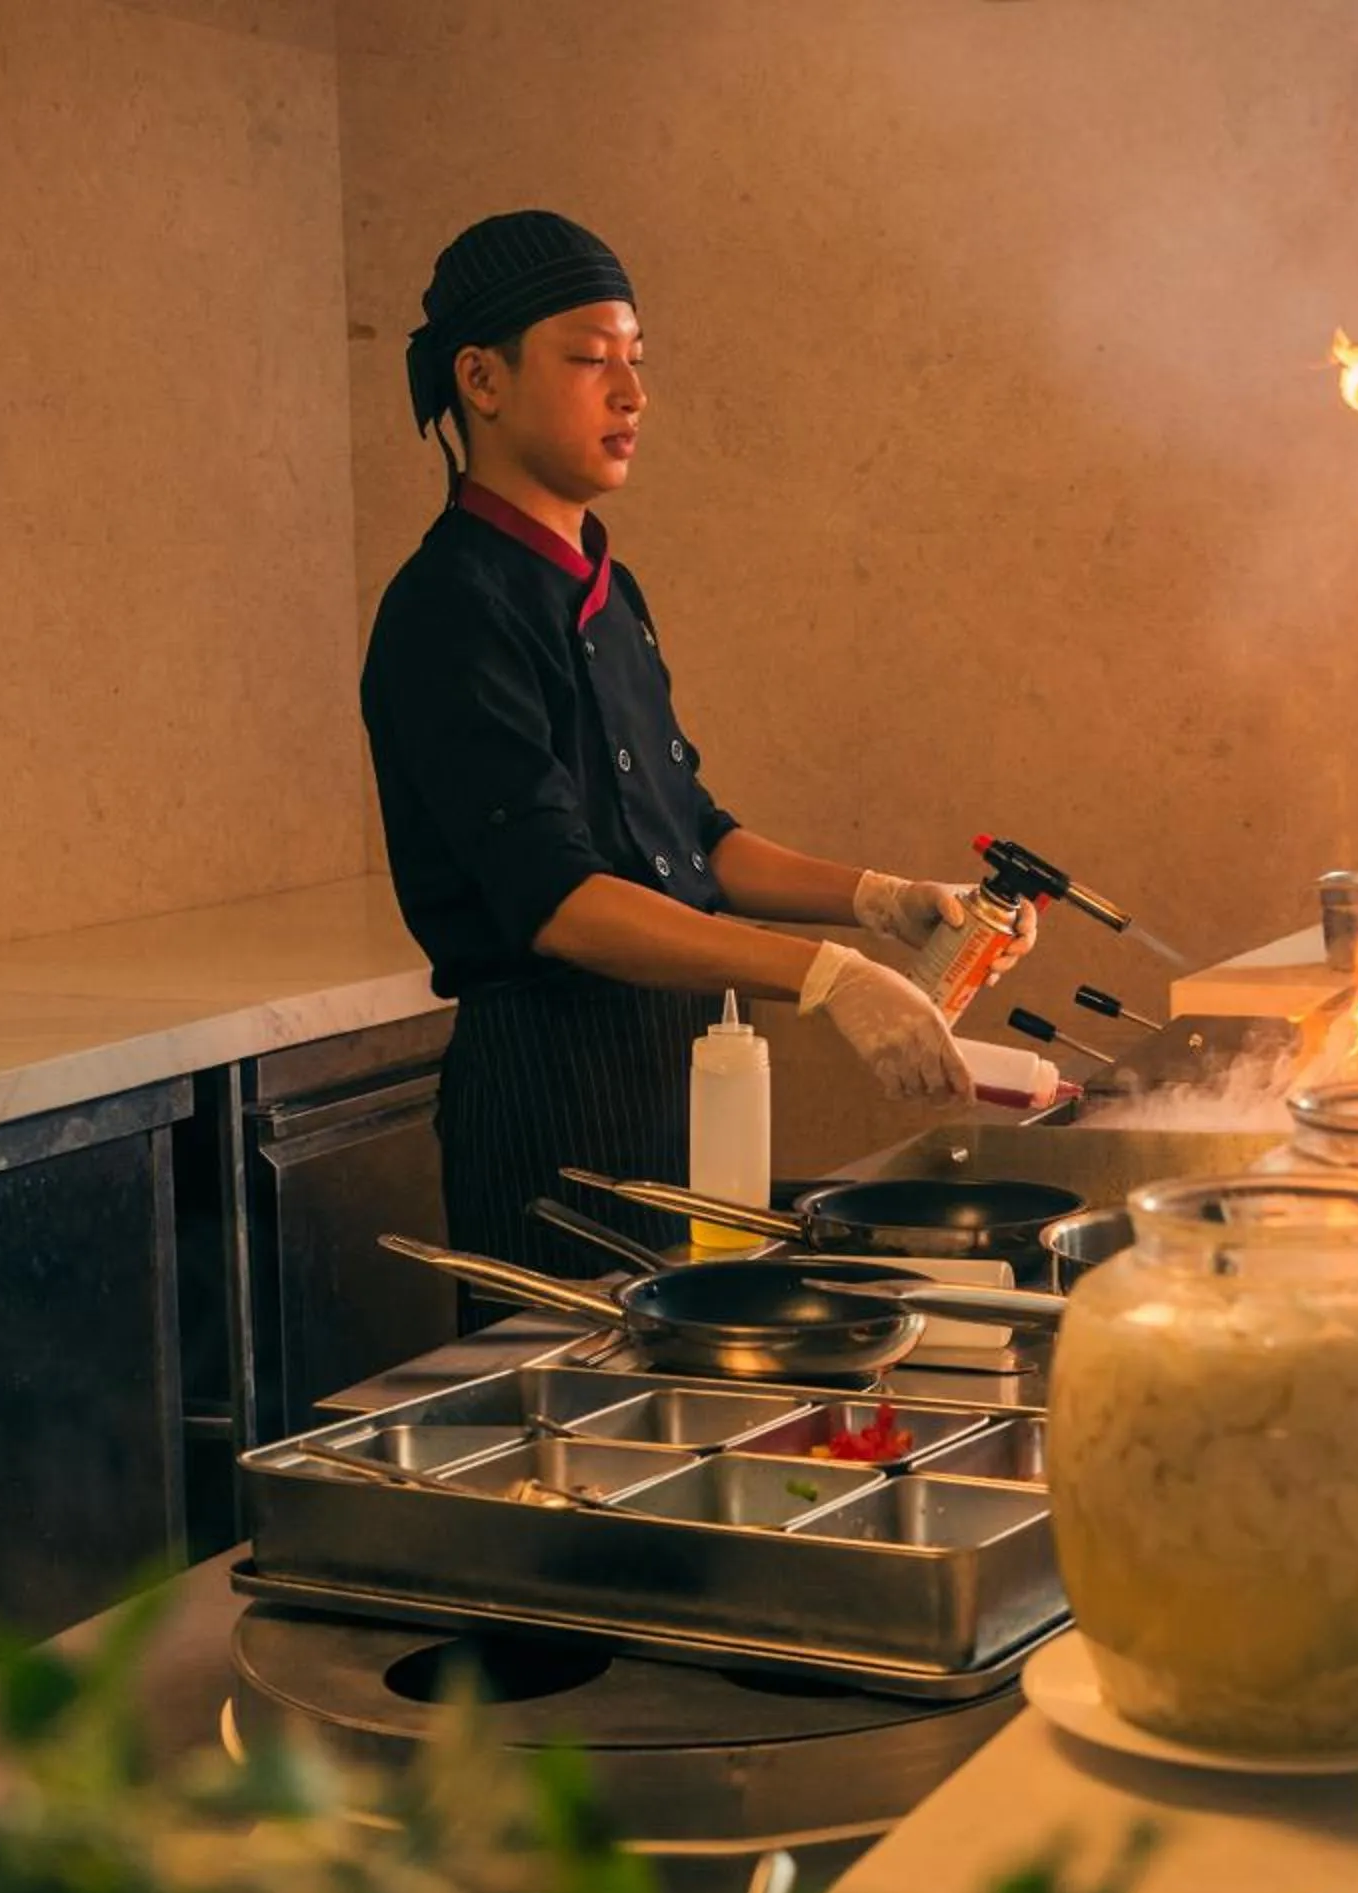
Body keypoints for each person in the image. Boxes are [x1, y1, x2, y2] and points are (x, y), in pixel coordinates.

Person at [360, 211, 1031, 1293]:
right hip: (549, 1102)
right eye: (590, 362)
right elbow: (564, 902)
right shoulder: (452, 607)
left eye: (637, 361)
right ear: (480, 380)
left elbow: (690, 840)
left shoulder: (606, 588)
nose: (632, 395)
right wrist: (826, 978)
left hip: (679, 1072)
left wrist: (878, 899)